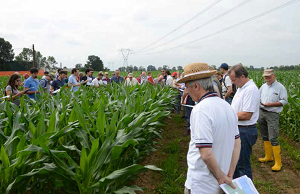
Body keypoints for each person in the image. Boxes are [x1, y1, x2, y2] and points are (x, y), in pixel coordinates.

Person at [177, 63, 241, 194]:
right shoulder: (227, 106)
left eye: (187, 87)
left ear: (196, 86)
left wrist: (220, 176)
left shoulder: (201, 110)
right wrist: (229, 174)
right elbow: (237, 143)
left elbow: (206, 154)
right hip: (222, 185)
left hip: (201, 185)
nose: (187, 92)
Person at [229, 63, 260, 180]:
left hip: (245, 131)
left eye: (234, 79)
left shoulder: (250, 89)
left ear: (242, 76)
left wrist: (228, 116)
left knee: (242, 166)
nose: (232, 82)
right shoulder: (242, 88)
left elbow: (247, 114)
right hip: (239, 129)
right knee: (237, 164)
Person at [258, 69, 288, 172]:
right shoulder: (263, 86)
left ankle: (278, 163)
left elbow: (284, 101)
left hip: (272, 114)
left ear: (274, 76)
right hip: (262, 112)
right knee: (264, 135)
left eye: (269, 76)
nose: (267, 78)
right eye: (265, 77)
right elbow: (258, 97)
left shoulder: (280, 87)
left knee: (273, 137)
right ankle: (268, 157)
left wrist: (271, 104)